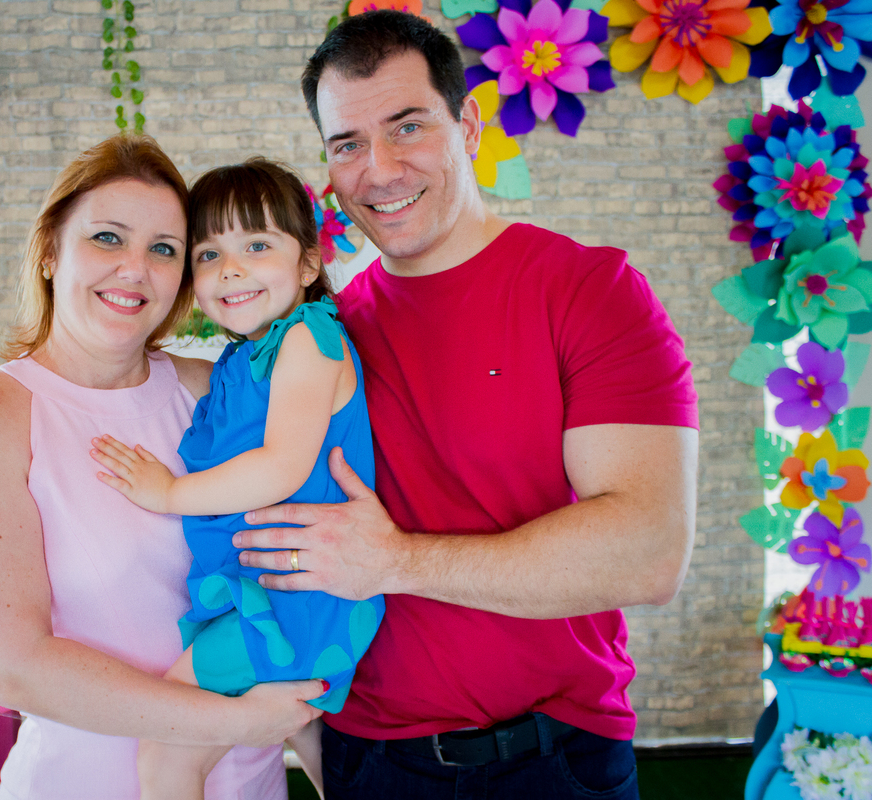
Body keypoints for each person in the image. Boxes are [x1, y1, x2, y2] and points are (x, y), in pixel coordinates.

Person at [232, 11, 701, 799]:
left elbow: (648, 550)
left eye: (407, 126)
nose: (378, 169)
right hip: (368, 762)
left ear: (469, 126)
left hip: (552, 764)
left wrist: (397, 561)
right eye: (347, 144)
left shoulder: (589, 291)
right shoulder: (324, 338)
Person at [0, 136, 326, 800]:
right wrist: (238, 719)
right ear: (52, 249)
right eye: (108, 239)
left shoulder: (218, 391)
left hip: (248, 781)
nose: (135, 269)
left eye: (164, 249)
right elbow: (15, 667)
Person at [90, 158, 384, 799]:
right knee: (332, 767)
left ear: (308, 265)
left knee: (169, 750)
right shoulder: (239, 356)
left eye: (257, 246)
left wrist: (167, 492)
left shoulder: (309, 337)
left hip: (298, 598)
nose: (231, 269)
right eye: (208, 254)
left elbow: (281, 466)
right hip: (273, 591)